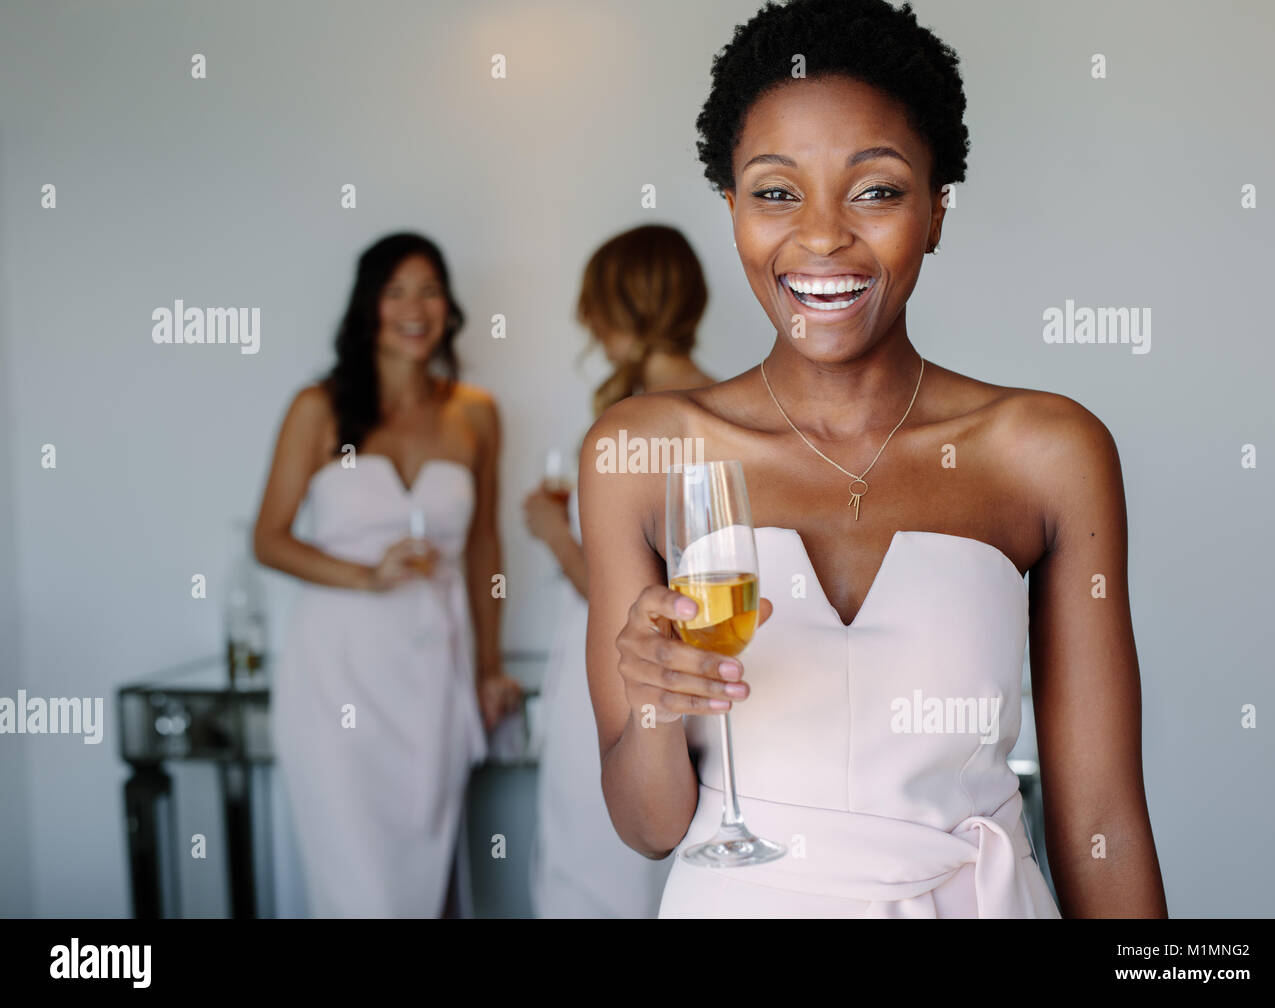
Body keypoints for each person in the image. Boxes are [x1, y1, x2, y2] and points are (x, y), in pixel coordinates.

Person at [581, 0, 1167, 918]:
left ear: (936, 211)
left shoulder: (1047, 452)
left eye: (876, 190)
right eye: (776, 192)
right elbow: (650, 824)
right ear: (731, 209)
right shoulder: (641, 452)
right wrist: (653, 700)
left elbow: (1102, 818)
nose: (821, 237)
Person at [254, 232, 522, 917]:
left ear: (449, 306)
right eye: (396, 290)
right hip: (337, 674)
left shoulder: (476, 414)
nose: (415, 306)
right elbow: (270, 540)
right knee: (359, 888)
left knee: (425, 880)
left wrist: (489, 667)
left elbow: (486, 548)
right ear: (367, 306)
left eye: (429, 289)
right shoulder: (316, 407)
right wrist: (368, 576)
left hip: (434, 670)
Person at [525, 225, 714, 917]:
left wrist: (552, 533)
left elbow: (636, 600)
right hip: (700, 687)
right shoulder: (738, 413)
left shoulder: (628, 428)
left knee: (594, 871)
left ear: (615, 310)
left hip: (612, 680)